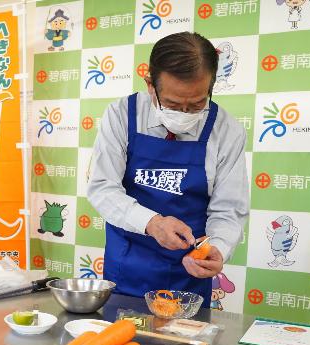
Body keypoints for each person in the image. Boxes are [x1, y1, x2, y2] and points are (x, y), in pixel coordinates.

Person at [87, 32, 249, 303]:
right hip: (128, 266)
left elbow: (229, 209)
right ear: (151, 85)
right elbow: (102, 188)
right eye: (173, 104)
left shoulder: (227, 130)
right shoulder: (121, 116)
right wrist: (152, 223)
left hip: (189, 276)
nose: (185, 114)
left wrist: (217, 249)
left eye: (197, 104)